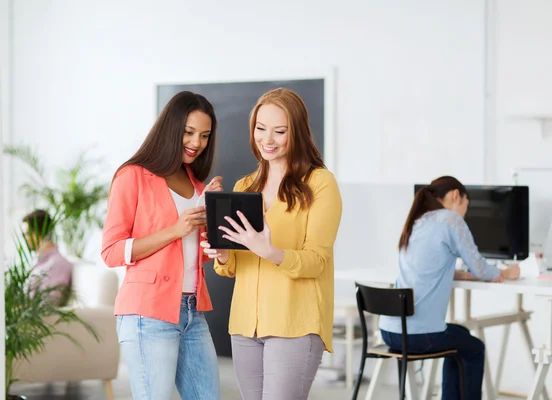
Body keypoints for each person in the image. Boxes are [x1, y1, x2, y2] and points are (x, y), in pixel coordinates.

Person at [201, 88, 342, 400]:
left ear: (299, 132)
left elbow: (317, 260)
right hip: (244, 325)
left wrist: (270, 251)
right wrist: (223, 255)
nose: (268, 139)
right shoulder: (244, 187)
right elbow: (233, 266)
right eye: (260, 128)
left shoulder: (320, 183)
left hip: (294, 323)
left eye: (280, 131)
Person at [101, 91, 223, 400]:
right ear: (171, 128)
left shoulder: (197, 184)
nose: (197, 142)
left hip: (192, 312)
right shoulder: (133, 176)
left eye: (205, 135)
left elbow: (195, 256)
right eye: (189, 132)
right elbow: (112, 251)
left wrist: (214, 211)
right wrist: (175, 230)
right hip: (147, 314)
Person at [378, 176, 521, 400]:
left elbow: (429, 268)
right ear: (455, 196)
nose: (464, 214)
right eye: (465, 207)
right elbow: (482, 269)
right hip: (419, 336)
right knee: (474, 348)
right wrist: (504, 273)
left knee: (460, 335)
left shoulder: (417, 220)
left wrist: (465, 275)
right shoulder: (450, 220)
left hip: (389, 332)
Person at [22, 209, 73, 305]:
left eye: (27, 234)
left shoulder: (57, 264)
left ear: (38, 233)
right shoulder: (39, 261)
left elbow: (47, 305)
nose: (25, 239)